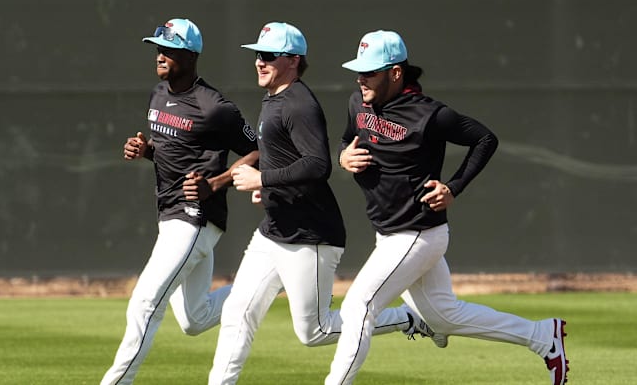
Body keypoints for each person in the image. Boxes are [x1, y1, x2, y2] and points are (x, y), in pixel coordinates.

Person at [326, 30, 569, 385]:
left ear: (395, 73)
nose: (361, 79)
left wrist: (453, 187)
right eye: (358, 71)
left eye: (370, 72)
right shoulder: (358, 103)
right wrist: (342, 156)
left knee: (358, 307)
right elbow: (348, 139)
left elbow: (485, 139)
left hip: (417, 232)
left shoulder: (429, 114)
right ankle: (543, 336)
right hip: (389, 233)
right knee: (443, 317)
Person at [207, 22, 433, 385]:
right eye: (257, 56)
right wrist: (270, 189)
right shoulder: (275, 97)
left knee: (315, 331)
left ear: (293, 61)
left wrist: (261, 178)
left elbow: (318, 164)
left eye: (267, 56)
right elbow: (290, 162)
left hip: (310, 235)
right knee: (237, 311)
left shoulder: (298, 103)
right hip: (274, 230)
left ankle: (409, 317)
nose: (259, 63)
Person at [100, 18, 259, 385]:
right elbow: (174, 149)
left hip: (195, 218)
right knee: (194, 319)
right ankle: (272, 278)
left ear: (190, 55)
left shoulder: (215, 106)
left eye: (169, 49)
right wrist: (146, 150)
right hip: (169, 213)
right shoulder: (158, 93)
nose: (160, 54)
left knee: (145, 302)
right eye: (158, 47)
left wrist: (217, 182)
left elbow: (258, 152)